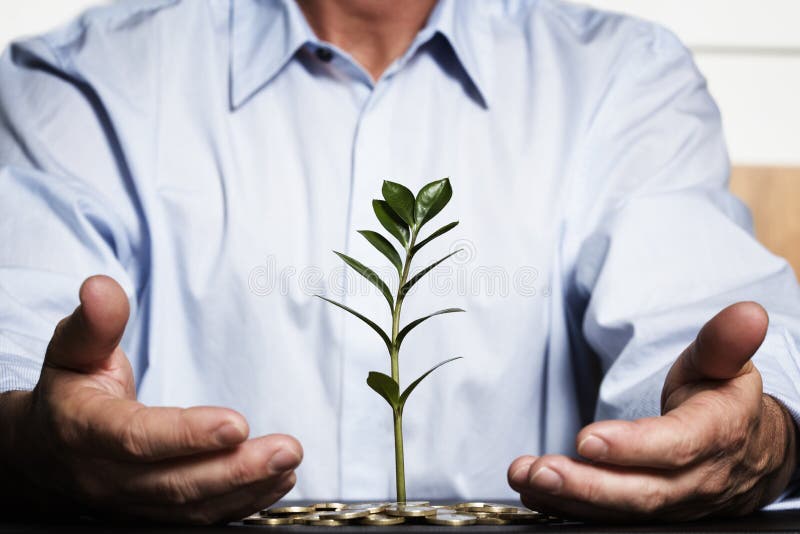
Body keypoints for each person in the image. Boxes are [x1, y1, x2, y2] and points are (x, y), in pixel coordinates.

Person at [0, 0, 798, 525]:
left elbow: (696, 323)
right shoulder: (85, 74)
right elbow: (18, 333)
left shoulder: (624, 73)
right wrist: (29, 432)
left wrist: (749, 433)